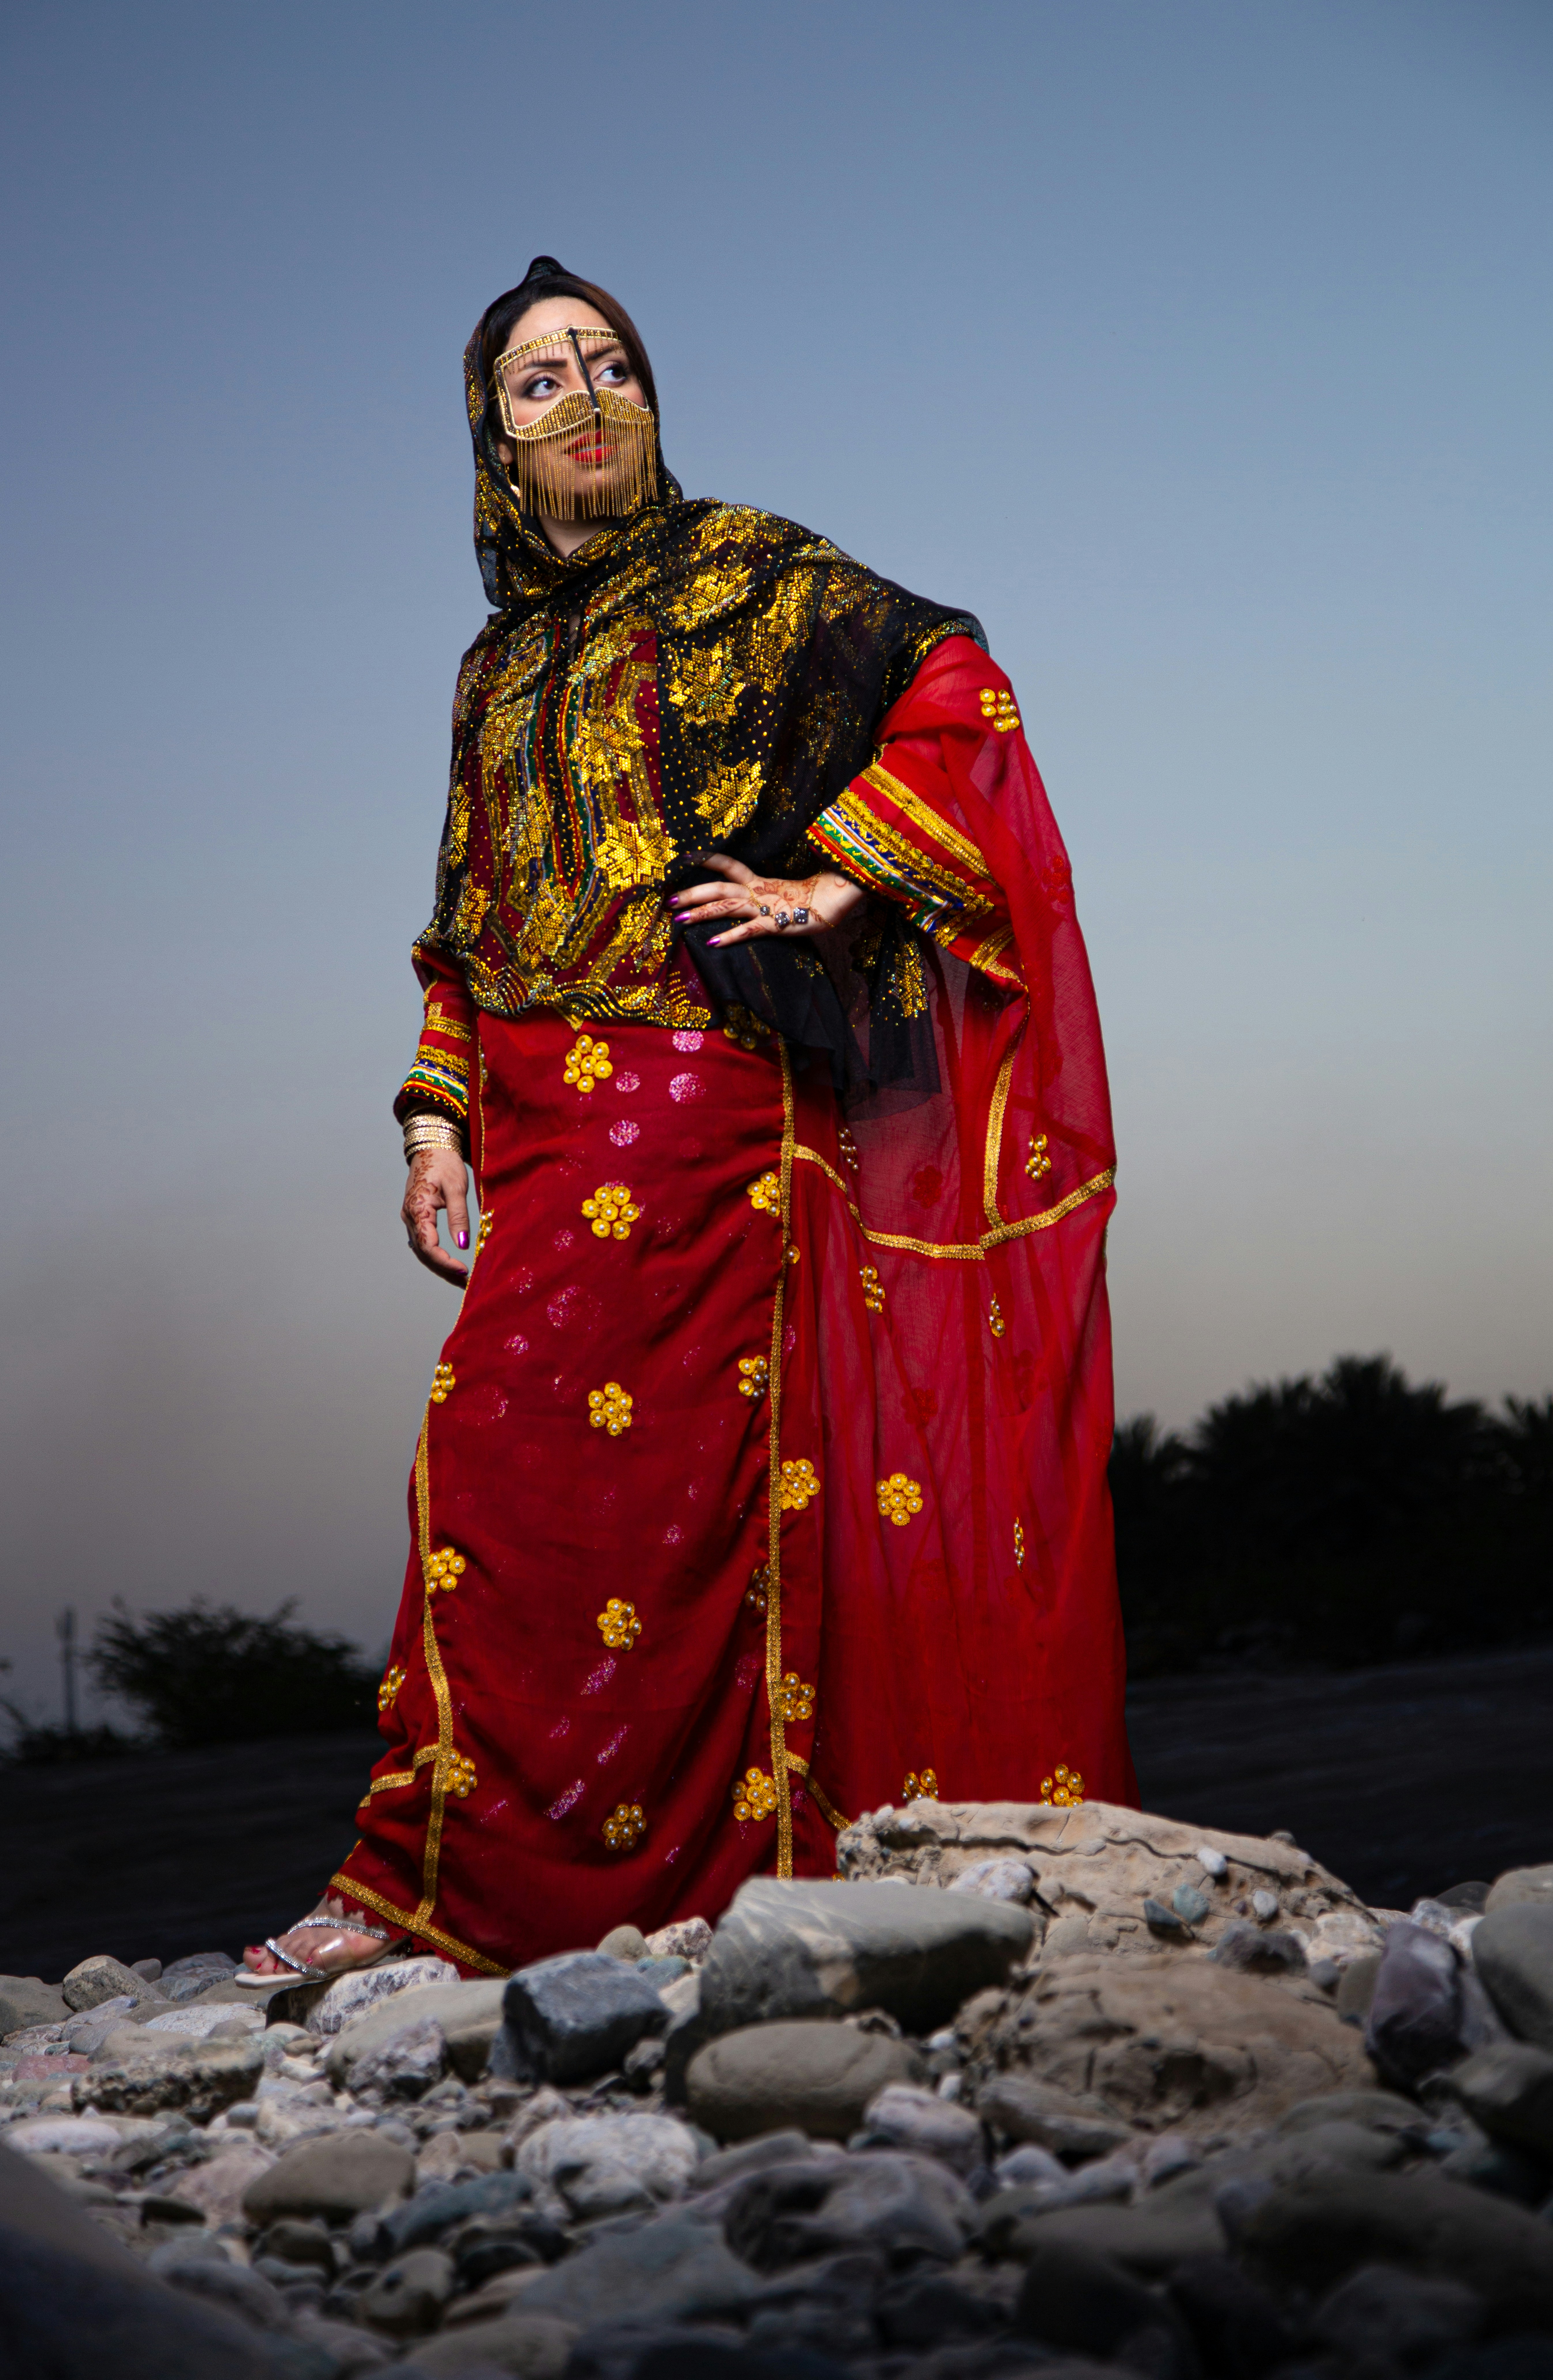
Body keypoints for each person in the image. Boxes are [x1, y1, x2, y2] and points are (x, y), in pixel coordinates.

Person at [240, 257, 1134, 1986]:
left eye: (609, 364)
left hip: (694, 1095)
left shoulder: (753, 573)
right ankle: (454, 1881)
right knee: (499, 1478)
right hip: (530, 1111)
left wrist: (829, 883)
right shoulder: (490, 666)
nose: (583, 396)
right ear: (494, 444)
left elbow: (953, 682)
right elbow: (470, 910)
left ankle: (535, 1900)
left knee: (638, 1493)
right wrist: (433, 1118)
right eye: (536, 381)